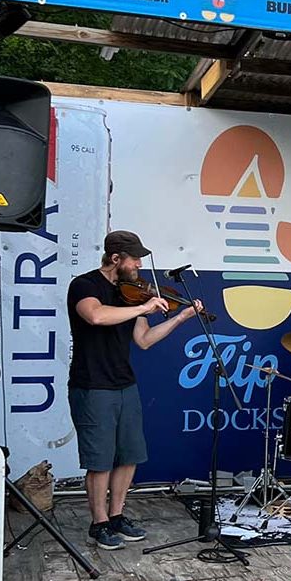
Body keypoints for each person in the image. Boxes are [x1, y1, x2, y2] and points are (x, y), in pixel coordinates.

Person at [67, 230, 202, 550]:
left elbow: (144, 340)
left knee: (129, 455)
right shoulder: (85, 285)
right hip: (92, 384)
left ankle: (116, 516)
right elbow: (96, 316)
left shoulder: (133, 294)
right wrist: (143, 308)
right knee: (100, 460)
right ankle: (98, 523)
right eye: (135, 259)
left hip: (124, 384)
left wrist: (181, 317)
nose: (140, 264)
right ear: (116, 259)